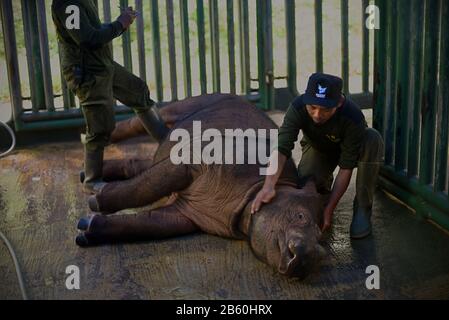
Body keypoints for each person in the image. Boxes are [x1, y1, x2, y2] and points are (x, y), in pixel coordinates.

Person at [51, 0, 169, 193]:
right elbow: (87, 38)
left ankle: (167, 142)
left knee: (138, 91)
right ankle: (92, 180)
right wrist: (119, 24)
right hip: (87, 72)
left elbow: (93, 30)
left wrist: (120, 24)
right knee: (100, 125)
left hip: (102, 65)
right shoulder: (68, 4)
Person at [251, 73, 384, 239]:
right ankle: (324, 187)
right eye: (312, 107)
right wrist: (268, 186)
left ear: (339, 102)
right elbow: (281, 148)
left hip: (352, 151)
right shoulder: (297, 107)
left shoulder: (353, 117)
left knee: (372, 138)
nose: (317, 115)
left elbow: (346, 168)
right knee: (308, 185)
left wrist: (330, 209)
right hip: (319, 149)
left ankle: (363, 207)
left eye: (326, 109)